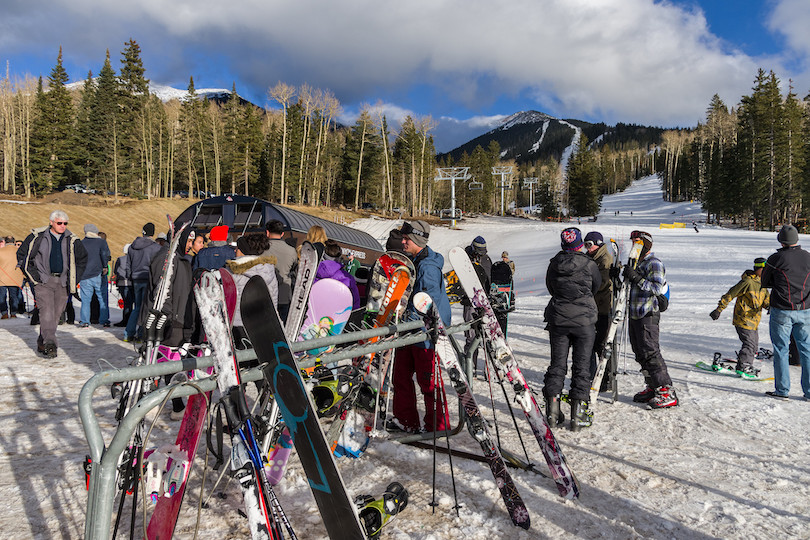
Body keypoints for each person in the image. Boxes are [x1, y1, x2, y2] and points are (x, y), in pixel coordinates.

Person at [391, 220, 451, 433]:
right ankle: (406, 420)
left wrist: (408, 321)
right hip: (410, 331)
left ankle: (438, 425)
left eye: (407, 239)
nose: (403, 241)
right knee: (400, 376)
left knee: (428, 382)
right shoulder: (414, 260)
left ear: (417, 240)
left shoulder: (428, 267)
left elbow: (428, 303)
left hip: (425, 334)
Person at [543, 227, 601, 430]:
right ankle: (578, 414)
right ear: (579, 243)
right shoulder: (589, 264)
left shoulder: (554, 263)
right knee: (582, 367)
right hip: (584, 322)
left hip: (558, 319)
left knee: (557, 365)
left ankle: (552, 410)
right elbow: (596, 286)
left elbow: (550, 287)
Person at [17, 210, 88, 358]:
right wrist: (35, 277)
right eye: (59, 223)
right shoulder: (37, 237)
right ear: (51, 222)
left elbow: (82, 259)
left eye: (65, 223)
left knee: (56, 314)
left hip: (63, 282)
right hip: (43, 281)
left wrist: (74, 278)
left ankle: (42, 340)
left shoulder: (72, 240)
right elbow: (22, 255)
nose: (63, 226)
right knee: (46, 311)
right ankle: (51, 344)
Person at [622, 230, 678, 409]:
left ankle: (665, 390)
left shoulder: (654, 263)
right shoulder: (637, 263)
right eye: (632, 242)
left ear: (645, 244)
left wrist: (636, 278)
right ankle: (652, 386)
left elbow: (656, 287)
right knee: (640, 352)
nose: (633, 245)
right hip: (635, 313)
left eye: (637, 242)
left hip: (647, 314)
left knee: (651, 352)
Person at [760, 224, 810, 400]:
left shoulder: (776, 258)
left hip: (782, 309)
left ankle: (782, 390)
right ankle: (809, 391)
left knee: (781, 349)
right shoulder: (808, 257)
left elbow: (764, 282)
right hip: (804, 309)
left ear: (781, 241)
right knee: (806, 350)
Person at [710, 258, 770, 376]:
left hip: (754, 321)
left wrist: (772, 307)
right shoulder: (747, 282)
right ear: (759, 269)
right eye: (764, 269)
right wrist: (719, 309)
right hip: (743, 319)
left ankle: (745, 363)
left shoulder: (763, 284)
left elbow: (766, 301)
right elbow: (730, 294)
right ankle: (744, 366)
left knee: (753, 346)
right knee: (749, 344)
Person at [226, 233, 279, 331]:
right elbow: (273, 297)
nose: (235, 250)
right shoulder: (269, 270)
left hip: (236, 323)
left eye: (237, 248)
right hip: (262, 322)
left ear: (242, 251)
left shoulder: (232, 270)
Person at [584, 231, 614, 385]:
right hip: (592, 306)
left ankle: (606, 377)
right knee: (592, 343)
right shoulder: (591, 257)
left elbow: (602, 283)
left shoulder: (604, 259)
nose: (587, 248)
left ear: (598, 243)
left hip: (602, 307)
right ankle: (594, 375)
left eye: (589, 244)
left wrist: (584, 284)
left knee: (602, 344)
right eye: (585, 245)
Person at [124, 222, 162, 342]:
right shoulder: (155, 248)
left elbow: (128, 265)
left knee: (137, 307)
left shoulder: (132, 247)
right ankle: (141, 334)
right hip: (148, 279)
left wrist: (130, 276)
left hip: (135, 279)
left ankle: (128, 333)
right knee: (145, 308)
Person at [463, 236, 492, 377]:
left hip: (484, 301)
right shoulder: (464, 259)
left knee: (486, 335)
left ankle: (489, 368)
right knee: (471, 336)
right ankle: (470, 366)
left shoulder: (486, 260)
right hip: (470, 302)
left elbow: (489, 279)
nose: (481, 255)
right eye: (479, 252)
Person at [263, 219, 298, 322]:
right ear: (282, 234)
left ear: (267, 232)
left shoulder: (261, 249)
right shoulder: (291, 251)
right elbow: (295, 270)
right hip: (284, 294)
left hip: (265, 293)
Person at [78, 224, 111, 328]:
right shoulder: (101, 242)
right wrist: (105, 266)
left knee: (86, 300)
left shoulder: (81, 243)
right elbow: (105, 254)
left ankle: (85, 321)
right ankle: (104, 320)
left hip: (84, 275)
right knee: (102, 298)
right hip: (98, 274)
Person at [316, 240, 361, 309]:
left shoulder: (313, 273)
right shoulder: (348, 278)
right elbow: (355, 303)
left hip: (314, 314)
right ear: (339, 258)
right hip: (340, 316)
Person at [0, 236, 25, 319]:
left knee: (2, 296)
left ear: (5, 242)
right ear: (14, 242)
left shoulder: (1, 251)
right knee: (13, 296)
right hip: (15, 277)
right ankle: (13, 313)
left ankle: (4, 313)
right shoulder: (19, 251)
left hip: (2, 278)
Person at [113, 244, 134, 327]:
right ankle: (131, 320)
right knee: (132, 302)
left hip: (122, 283)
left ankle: (126, 320)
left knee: (126, 303)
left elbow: (116, 271)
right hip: (131, 283)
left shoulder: (120, 259)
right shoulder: (134, 259)